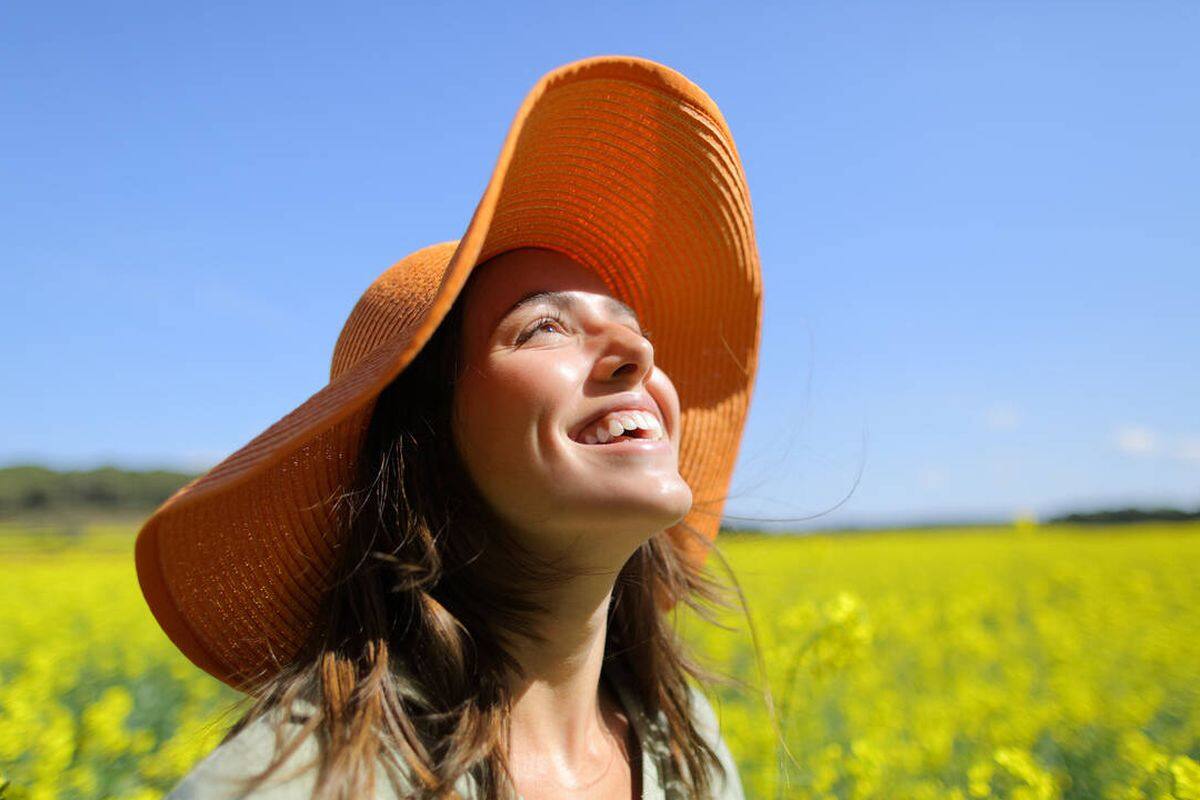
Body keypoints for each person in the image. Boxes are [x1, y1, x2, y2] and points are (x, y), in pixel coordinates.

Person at [138, 55, 763, 800]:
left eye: (631, 328)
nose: (638, 353)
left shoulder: (684, 743)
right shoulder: (302, 785)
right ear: (425, 444)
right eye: (542, 329)